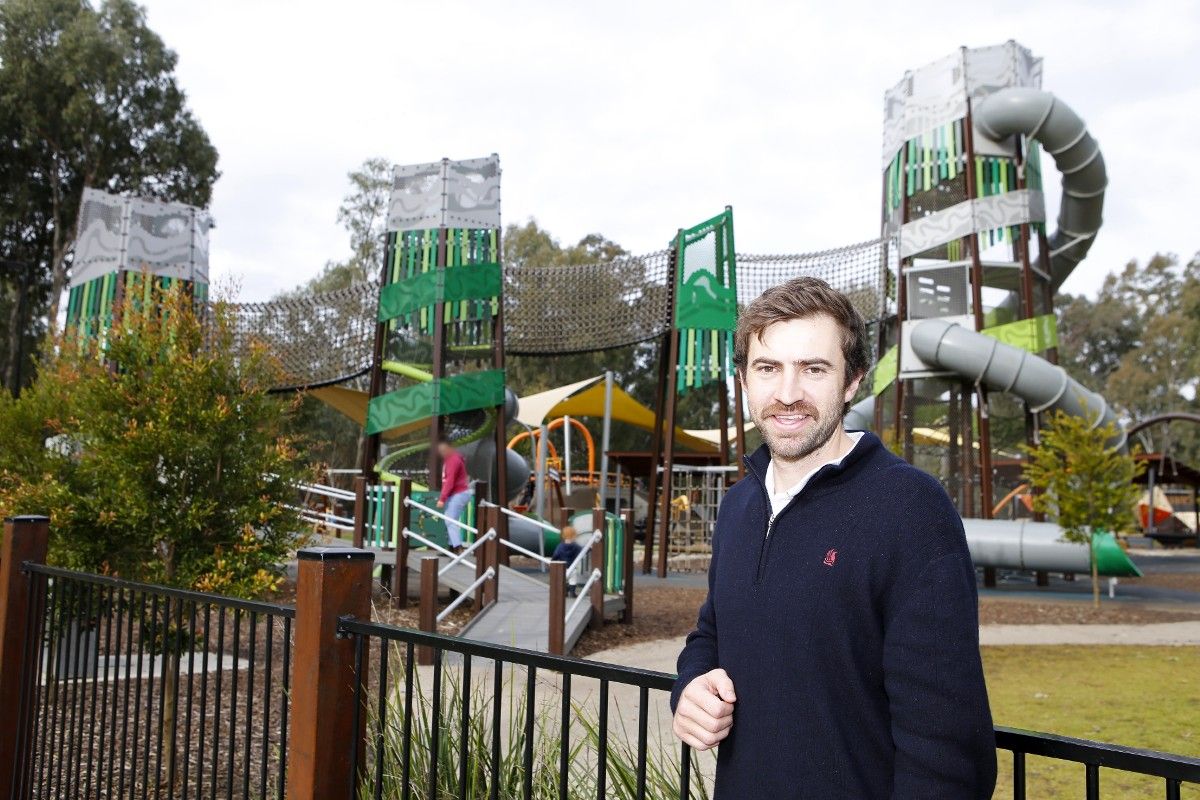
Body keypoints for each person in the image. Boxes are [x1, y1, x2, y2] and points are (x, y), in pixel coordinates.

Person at [670, 277, 996, 799]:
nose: (788, 393)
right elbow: (712, 629)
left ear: (852, 383)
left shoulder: (910, 509)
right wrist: (691, 685)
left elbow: (946, 745)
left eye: (814, 369)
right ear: (743, 379)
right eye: (768, 368)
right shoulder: (739, 506)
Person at [435, 437, 472, 553]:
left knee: (450, 520)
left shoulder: (453, 460)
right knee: (450, 519)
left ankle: (457, 547)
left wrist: (442, 498)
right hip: (457, 493)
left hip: (458, 493)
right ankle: (452, 546)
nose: (442, 453)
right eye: (440, 451)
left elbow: (449, 481)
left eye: (444, 450)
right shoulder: (450, 459)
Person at [550, 525, 584, 597]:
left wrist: (552, 561)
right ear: (574, 536)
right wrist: (589, 548)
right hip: (572, 567)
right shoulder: (575, 546)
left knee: (563, 581)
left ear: (563, 536)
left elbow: (556, 555)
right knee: (573, 581)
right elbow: (582, 551)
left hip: (562, 567)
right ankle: (572, 593)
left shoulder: (560, 546)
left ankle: (564, 592)